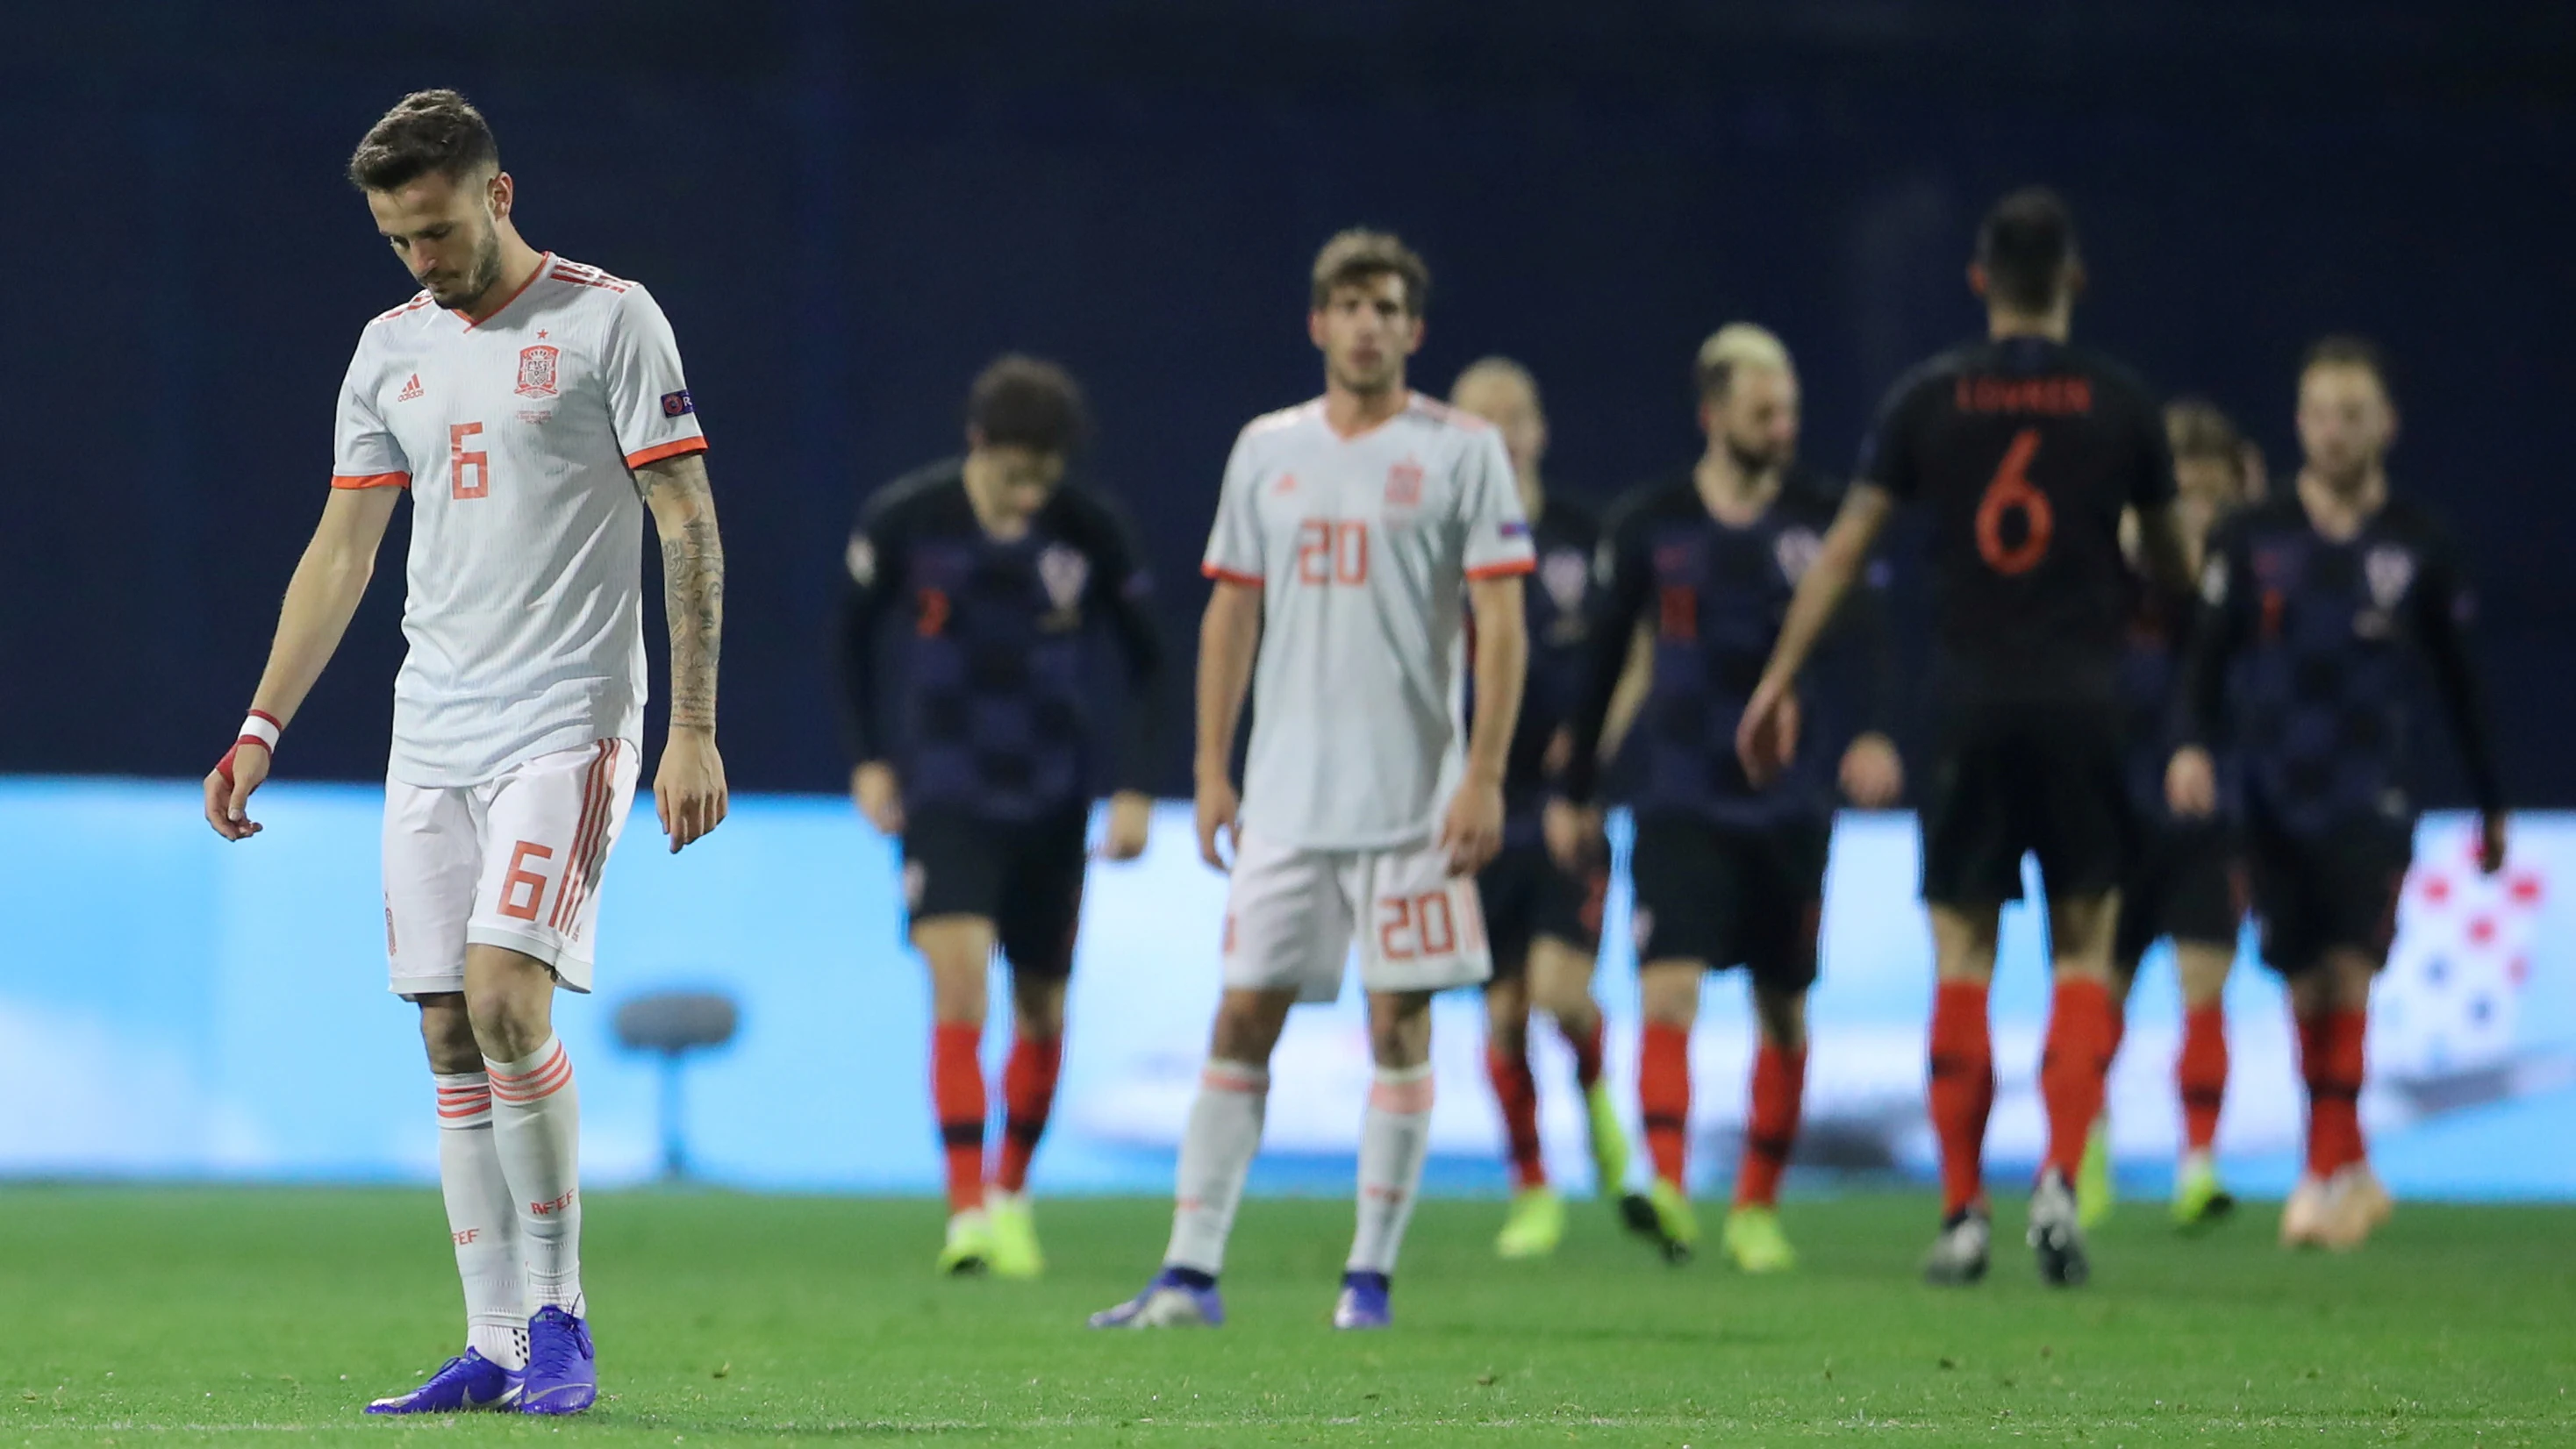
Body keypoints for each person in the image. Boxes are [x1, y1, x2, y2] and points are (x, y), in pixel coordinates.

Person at [202, 90, 728, 1415]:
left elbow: (687, 523)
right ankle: (495, 1343)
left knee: (506, 995)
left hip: (569, 718)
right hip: (430, 728)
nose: (422, 263)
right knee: (446, 1030)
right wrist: (262, 724)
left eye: (436, 232)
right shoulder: (389, 351)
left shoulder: (611, 318)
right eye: (396, 241)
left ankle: (562, 1320)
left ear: (497, 192)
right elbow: (343, 549)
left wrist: (695, 728)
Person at [1736, 188, 2195, 1288]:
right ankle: (2053, 1175)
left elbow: (1843, 550)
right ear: (2073, 281)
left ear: (1978, 281)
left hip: (1965, 705)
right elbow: (2177, 572)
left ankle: (1958, 1210)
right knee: (2085, 945)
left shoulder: (1927, 397)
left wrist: (1779, 676)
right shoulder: (2121, 404)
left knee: (1963, 955)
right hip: (2083, 702)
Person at [1090, 230, 1533, 1331]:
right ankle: (1189, 1273)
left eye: (1387, 306)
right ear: (1317, 323)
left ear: (1412, 330)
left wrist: (1482, 772)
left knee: (1399, 1026)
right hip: (1284, 796)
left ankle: (1367, 1279)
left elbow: (1501, 621)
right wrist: (1207, 764)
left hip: (1414, 803)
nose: (1368, 322)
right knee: (1240, 1018)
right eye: (1349, 303)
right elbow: (1231, 609)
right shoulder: (1265, 450)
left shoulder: (1461, 449)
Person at [1551, 325, 1902, 1274]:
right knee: (1667, 989)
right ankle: (1666, 1184)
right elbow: (1600, 662)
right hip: (1676, 794)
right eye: (1762, 410)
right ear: (1712, 414)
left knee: (1781, 1007)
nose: (1782, 425)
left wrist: (1871, 730)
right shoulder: (1648, 521)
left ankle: (1755, 1205)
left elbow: (1868, 640)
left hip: (1790, 803)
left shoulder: (1825, 518)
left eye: (1788, 407)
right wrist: (1577, 784)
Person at [2168, 337, 2508, 1252]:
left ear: (2384, 424)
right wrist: (2192, 745)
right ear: (2297, 421)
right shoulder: (2252, 536)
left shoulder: (2416, 543)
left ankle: (2318, 1177)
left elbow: (2457, 681)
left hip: (2371, 791)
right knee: (2300, 981)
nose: (2333, 431)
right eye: (2319, 412)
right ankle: (2343, 1163)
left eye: (2352, 414)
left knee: (2345, 973)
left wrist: (2490, 802)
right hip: (2268, 785)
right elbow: (2204, 656)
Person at [834, 355, 1165, 1279]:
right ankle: (967, 1209)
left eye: (1042, 476)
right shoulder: (909, 519)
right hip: (944, 793)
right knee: (959, 986)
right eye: (1012, 473)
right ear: (977, 446)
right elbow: (848, 638)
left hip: (1054, 799)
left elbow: (1150, 659)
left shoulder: (1089, 530)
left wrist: (1136, 784)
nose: (1027, 495)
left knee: (1041, 1006)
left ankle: (1014, 1193)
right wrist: (866, 759)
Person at [1445, 358, 1635, 1260]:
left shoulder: (1583, 536)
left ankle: (1604, 1119)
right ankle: (1531, 1189)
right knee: (1503, 1013)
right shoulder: (1430, 540)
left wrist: (1587, 761)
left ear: (1539, 429)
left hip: (1562, 805)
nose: (1499, 431)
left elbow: (1632, 647)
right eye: (1479, 416)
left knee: (1562, 995)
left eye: (1513, 414)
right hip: (1475, 808)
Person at [2079, 400, 2257, 1231]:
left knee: (2203, 981)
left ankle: (2198, 1164)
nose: (2194, 512)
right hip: (2111, 803)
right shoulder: (2108, 577)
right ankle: (2088, 1151)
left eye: (2210, 496)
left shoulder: (2246, 580)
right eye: (2179, 494)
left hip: (2206, 811)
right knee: (2101, 988)